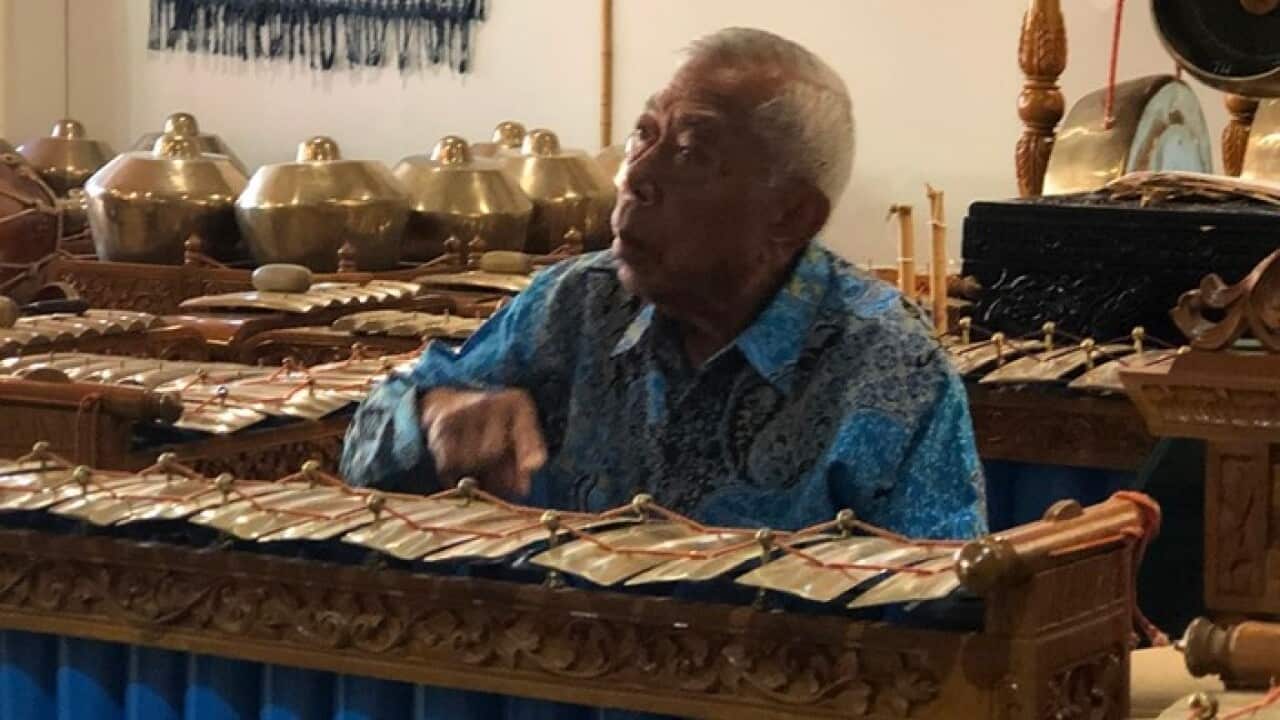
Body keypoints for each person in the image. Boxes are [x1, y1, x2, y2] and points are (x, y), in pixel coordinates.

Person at [340, 26, 986, 720]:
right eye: (642, 137)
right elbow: (361, 448)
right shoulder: (576, 306)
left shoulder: (886, 363)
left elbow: (945, 632)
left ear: (790, 214)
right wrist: (433, 415)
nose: (638, 176)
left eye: (690, 154)